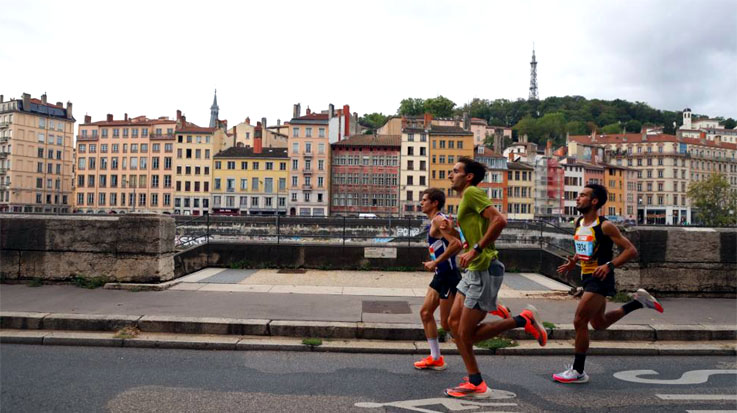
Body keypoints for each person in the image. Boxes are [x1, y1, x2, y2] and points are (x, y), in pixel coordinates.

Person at [443, 157, 548, 399]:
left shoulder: (471, 193)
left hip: (485, 269)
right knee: (452, 325)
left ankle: (522, 320)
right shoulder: (466, 198)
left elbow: (500, 220)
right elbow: (477, 230)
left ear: (468, 177)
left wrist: (476, 250)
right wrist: (458, 236)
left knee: (466, 334)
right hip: (474, 271)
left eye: (455, 171)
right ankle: (474, 380)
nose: (450, 174)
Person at [554, 184, 663, 384]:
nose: (578, 198)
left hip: (600, 278)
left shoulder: (605, 226)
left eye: (583, 196)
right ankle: (638, 302)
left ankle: (578, 371)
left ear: (594, 201)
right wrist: (574, 261)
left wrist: (609, 266)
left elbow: (631, 250)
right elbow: (586, 248)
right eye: (579, 195)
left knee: (579, 321)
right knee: (599, 323)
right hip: (587, 276)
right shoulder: (578, 222)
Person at [413, 188, 462, 371]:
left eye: (424, 200)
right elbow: (458, 239)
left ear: (434, 203)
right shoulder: (439, 220)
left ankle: (497, 315)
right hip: (440, 275)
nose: (421, 203)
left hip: (449, 276)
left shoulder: (437, 219)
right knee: (425, 313)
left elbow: (457, 244)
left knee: (448, 324)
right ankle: (436, 358)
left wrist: (437, 262)